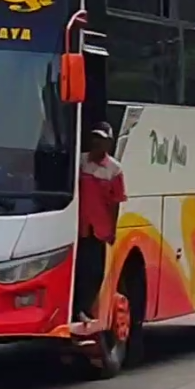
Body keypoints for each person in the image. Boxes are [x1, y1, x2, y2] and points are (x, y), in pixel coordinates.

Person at [74, 120, 127, 323]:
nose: (97, 143)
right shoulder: (80, 163)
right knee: (79, 269)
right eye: (95, 138)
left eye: (102, 140)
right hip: (78, 227)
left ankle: (84, 308)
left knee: (95, 272)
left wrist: (112, 230)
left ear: (109, 144)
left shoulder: (114, 169)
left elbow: (116, 202)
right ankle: (77, 308)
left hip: (99, 229)